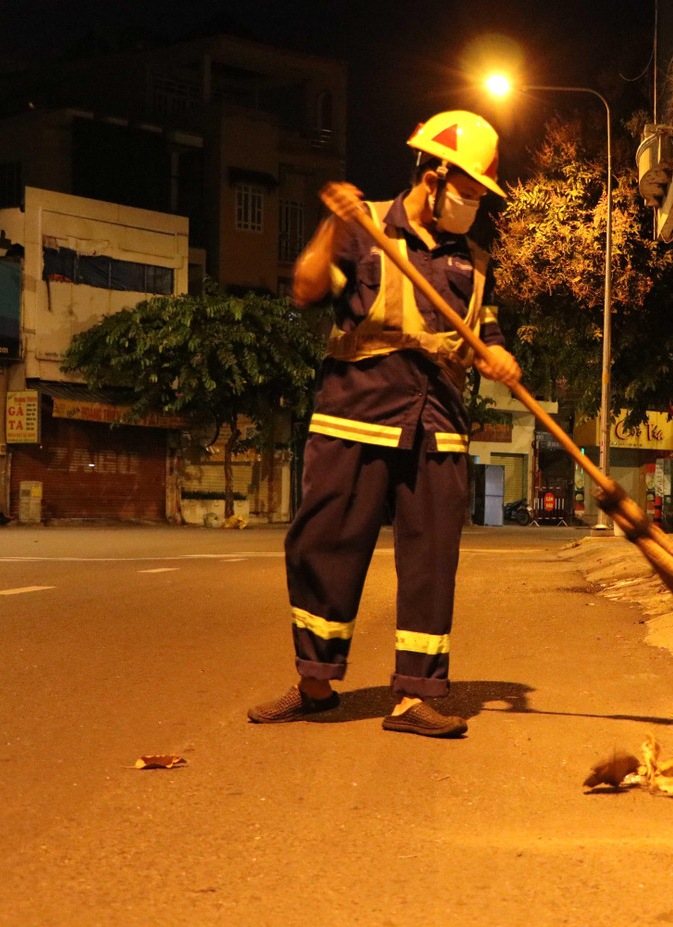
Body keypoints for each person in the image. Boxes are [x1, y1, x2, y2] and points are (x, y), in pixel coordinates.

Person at [248, 111, 520, 736]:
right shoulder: (363, 227)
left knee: (432, 562)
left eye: (481, 194)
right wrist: (332, 229)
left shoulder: (473, 258)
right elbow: (305, 288)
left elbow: (488, 331)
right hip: (355, 416)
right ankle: (314, 685)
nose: (475, 203)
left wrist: (500, 355)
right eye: (472, 190)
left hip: (439, 423)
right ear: (434, 175)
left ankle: (415, 695)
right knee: (325, 548)